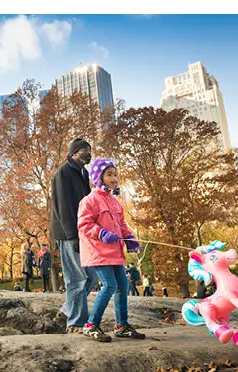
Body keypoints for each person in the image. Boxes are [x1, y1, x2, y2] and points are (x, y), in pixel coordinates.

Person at [78, 158, 145, 342]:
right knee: (110, 285)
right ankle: (91, 325)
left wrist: (129, 238)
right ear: (98, 177)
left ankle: (121, 325)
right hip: (98, 252)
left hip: (115, 253)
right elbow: (84, 225)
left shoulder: (115, 203)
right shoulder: (89, 200)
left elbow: (122, 225)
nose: (114, 178)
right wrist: (100, 233)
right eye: (109, 174)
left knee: (123, 285)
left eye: (115, 174)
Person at [50, 138, 95, 333]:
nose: (89, 154)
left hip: (84, 231)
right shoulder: (63, 174)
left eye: (90, 150)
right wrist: (73, 235)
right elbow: (63, 208)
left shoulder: (83, 173)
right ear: (75, 152)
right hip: (69, 233)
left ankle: (67, 310)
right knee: (76, 278)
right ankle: (76, 323)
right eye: (86, 150)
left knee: (92, 275)